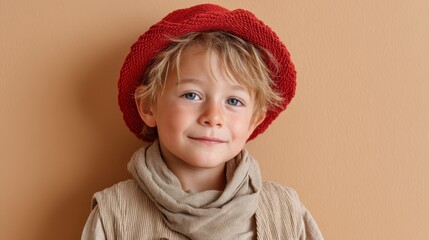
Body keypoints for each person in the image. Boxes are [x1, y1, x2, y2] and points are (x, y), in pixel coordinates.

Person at [82, 4, 323, 240]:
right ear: (148, 106)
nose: (213, 116)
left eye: (234, 101)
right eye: (191, 95)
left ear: (254, 121)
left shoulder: (285, 213)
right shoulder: (114, 214)